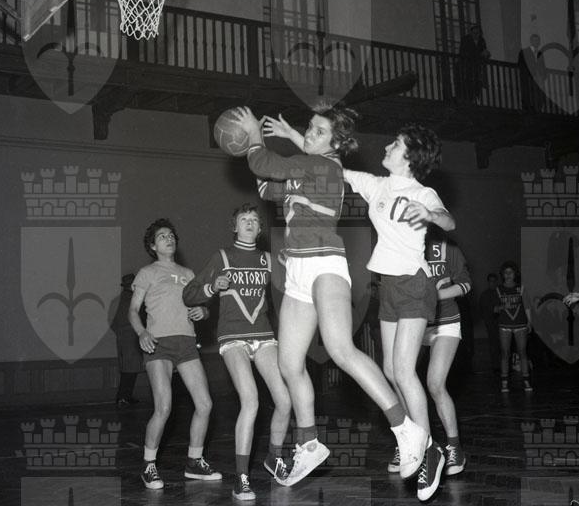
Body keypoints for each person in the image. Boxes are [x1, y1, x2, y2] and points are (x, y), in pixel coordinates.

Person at [235, 106, 435, 500]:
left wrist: (252, 136)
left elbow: (264, 164)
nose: (309, 133)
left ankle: (406, 430)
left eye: (318, 130)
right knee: (289, 363)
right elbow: (268, 186)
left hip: (325, 262)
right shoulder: (307, 169)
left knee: (341, 349)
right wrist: (255, 158)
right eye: (309, 127)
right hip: (297, 270)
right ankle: (308, 442)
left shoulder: (325, 167)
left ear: (335, 143)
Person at [341, 123, 456, 502]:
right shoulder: (377, 185)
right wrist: (296, 139)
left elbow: (448, 220)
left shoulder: (422, 192)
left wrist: (430, 214)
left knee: (404, 372)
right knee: (390, 371)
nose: (387, 146)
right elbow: (336, 170)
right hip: (387, 287)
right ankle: (414, 440)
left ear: (409, 157)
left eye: (395, 144)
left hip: (414, 285)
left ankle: (429, 449)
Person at [183, 204, 292, 501]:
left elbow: (289, 290)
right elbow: (188, 294)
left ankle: (273, 457)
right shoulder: (222, 257)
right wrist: (211, 287)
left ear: (260, 229)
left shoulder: (268, 259)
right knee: (251, 400)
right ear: (235, 227)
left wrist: (291, 264)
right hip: (233, 337)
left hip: (264, 335)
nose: (249, 223)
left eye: (254, 220)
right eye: (244, 219)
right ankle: (241, 478)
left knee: (284, 400)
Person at [129, 218, 222, 490]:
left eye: (171, 235)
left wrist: (203, 311)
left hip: (186, 343)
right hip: (159, 343)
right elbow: (133, 310)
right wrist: (142, 333)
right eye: (162, 236)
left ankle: (194, 462)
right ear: (152, 245)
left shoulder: (188, 273)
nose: (169, 238)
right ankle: (148, 465)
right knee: (164, 407)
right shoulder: (147, 272)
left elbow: (202, 307)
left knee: (205, 404)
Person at [419, 231, 471, 477]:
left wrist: (435, 295)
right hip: (414, 322)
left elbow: (466, 284)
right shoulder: (401, 243)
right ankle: (409, 445)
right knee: (399, 380)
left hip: (445, 321)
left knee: (435, 384)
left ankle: (454, 447)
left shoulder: (446, 246)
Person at [496, 261, 532, 393]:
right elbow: (494, 309)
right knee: (505, 353)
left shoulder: (521, 288)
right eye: (506, 272)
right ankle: (504, 383)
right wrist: (502, 307)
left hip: (520, 324)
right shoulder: (498, 289)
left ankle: (526, 381)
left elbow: (527, 306)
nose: (508, 275)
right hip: (504, 325)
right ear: (503, 274)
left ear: (515, 274)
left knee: (522, 352)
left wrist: (530, 322)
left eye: (510, 272)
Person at [113, 272, 144, 408]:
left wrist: (121, 332)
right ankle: (123, 397)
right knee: (131, 369)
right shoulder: (134, 300)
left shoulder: (117, 300)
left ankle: (124, 396)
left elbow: (112, 321)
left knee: (127, 368)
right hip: (133, 337)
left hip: (123, 338)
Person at [459, 25, 490, 103]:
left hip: (477, 67)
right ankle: (469, 99)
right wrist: (479, 54)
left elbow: (484, 50)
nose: (476, 35)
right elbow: (464, 52)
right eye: (474, 33)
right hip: (467, 66)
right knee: (468, 83)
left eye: (477, 33)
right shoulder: (465, 40)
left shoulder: (481, 40)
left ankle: (476, 98)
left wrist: (486, 54)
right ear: (471, 33)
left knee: (477, 82)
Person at [518, 34, 548, 113]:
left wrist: (543, 76)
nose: (536, 42)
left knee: (539, 95)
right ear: (531, 41)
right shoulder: (524, 52)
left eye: (538, 40)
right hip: (529, 78)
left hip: (539, 78)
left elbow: (543, 66)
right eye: (535, 40)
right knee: (529, 94)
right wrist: (531, 74)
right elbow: (521, 65)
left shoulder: (540, 53)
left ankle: (538, 109)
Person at [478, 273, 501, 373]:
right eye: (491, 281)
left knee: (502, 344)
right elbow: (483, 310)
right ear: (488, 282)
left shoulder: (500, 293)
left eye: (494, 281)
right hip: (491, 323)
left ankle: (502, 364)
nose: (492, 283)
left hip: (501, 323)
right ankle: (496, 365)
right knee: (494, 344)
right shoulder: (485, 295)